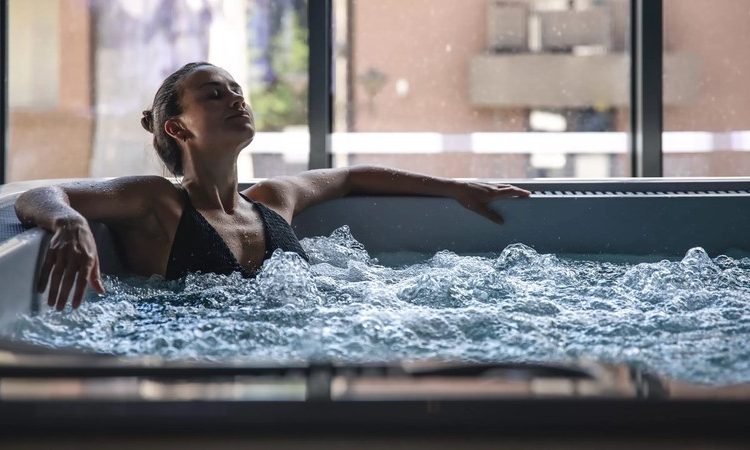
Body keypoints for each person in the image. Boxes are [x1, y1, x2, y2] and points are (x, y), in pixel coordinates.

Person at [15, 62, 531, 311]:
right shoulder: (160, 202)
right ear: (177, 128)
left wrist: (454, 187)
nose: (237, 100)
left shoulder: (271, 200)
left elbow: (350, 177)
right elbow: (36, 195)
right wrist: (68, 221)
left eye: (237, 91)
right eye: (215, 96)